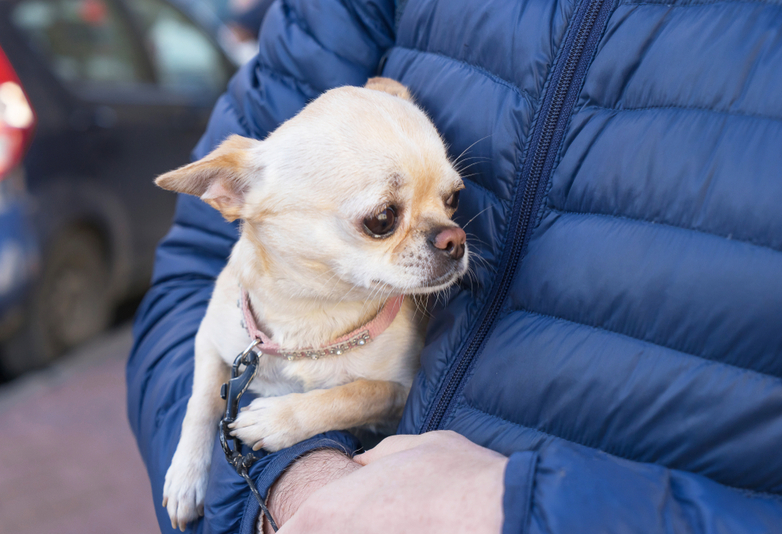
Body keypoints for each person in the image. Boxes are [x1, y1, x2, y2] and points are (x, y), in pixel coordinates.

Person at [127, 0, 782, 532]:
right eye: (382, 219)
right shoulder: (262, 176)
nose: (448, 238)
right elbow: (189, 280)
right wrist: (292, 482)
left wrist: (533, 513)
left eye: (450, 201)